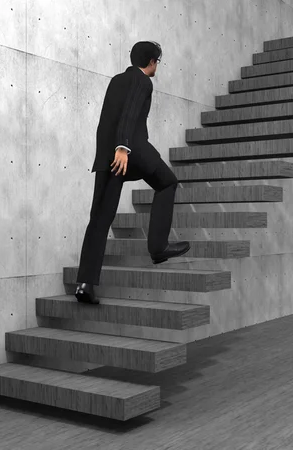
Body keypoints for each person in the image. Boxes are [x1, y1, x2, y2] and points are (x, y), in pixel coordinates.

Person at [74, 41, 190, 305]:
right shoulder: (142, 81)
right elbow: (128, 115)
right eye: (157, 62)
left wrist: (108, 154)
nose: (156, 66)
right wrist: (123, 148)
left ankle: (85, 284)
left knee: (100, 218)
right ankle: (158, 248)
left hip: (108, 157)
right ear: (151, 62)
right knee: (168, 182)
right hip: (129, 150)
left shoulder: (116, 80)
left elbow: (105, 121)